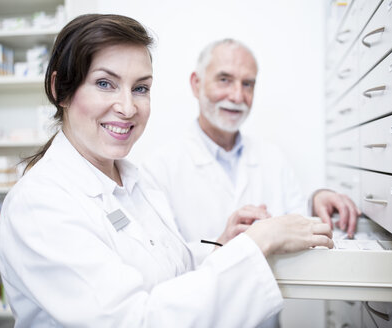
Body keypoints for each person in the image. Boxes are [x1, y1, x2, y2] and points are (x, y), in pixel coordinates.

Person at [0, 14, 335, 328]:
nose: (128, 107)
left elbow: (171, 269)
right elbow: (136, 320)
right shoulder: (41, 205)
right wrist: (260, 241)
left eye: (140, 88)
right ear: (60, 90)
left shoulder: (132, 181)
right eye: (105, 83)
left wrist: (224, 245)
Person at [141, 39, 361, 266]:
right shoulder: (158, 168)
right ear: (196, 84)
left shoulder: (272, 157)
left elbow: (296, 220)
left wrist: (315, 201)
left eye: (247, 84)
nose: (237, 96)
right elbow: (162, 260)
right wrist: (221, 244)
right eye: (224, 80)